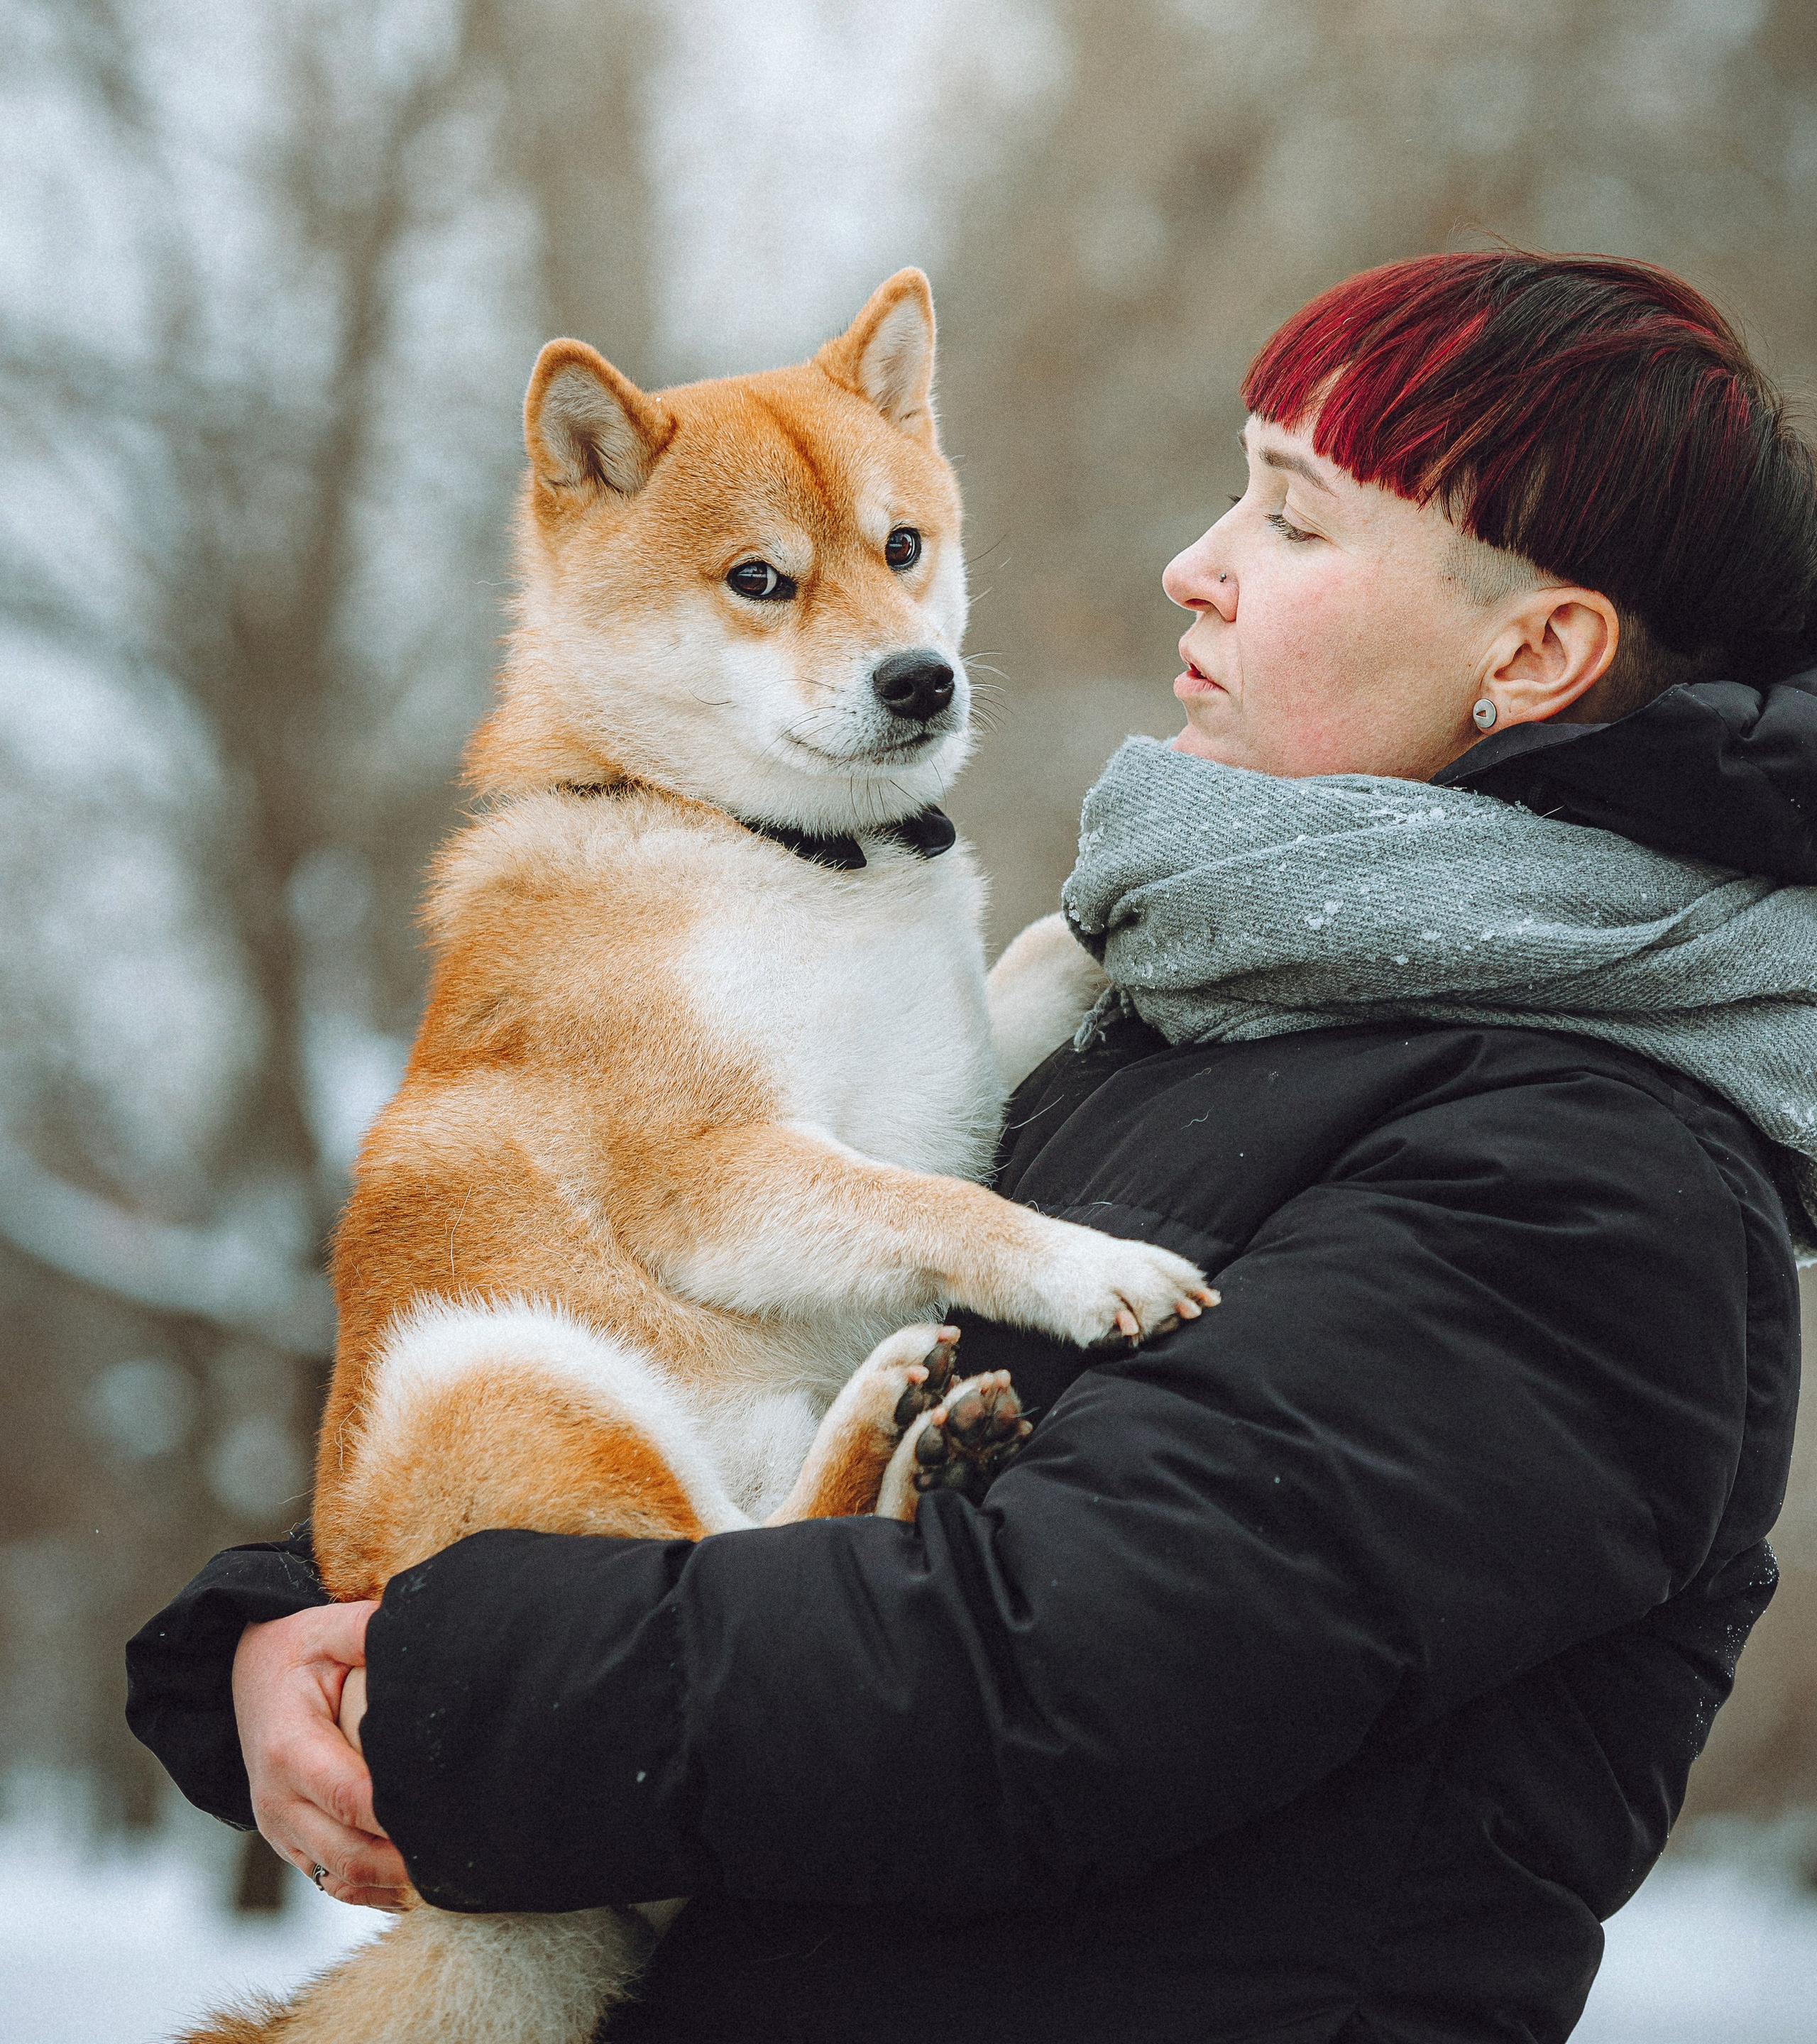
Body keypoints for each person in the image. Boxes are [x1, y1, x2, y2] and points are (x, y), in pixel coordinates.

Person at [127, 250, 1817, 2044]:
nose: (1195, 562)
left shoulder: (1583, 1187)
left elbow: (1028, 1676)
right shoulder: (1189, 1003)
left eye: (1294, 522)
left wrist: (428, 1675)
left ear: (1532, 652)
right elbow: (676, 1338)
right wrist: (265, 1640)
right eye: (1232, 490)